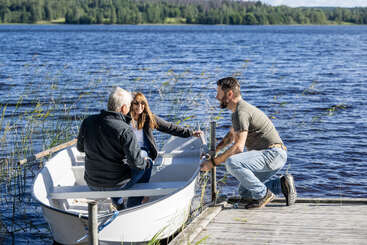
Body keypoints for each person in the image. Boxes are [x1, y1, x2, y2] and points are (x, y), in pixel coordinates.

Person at [201, 77, 296, 209]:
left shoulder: (241, 112)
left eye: (218, 93)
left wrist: (212, 163)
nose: (216, 97)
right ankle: (282, 184)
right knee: (245, 192)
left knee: (232, 162)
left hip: (273, 154)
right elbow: (229, 138)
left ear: (229, 94)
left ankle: (264, 195)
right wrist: (213, 152)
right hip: (273, 155)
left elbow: (238, 148)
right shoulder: (237, 112)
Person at [77, 87, 152, 210]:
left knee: (119, 170)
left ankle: (119, 205)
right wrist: (147, 163)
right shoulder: (125, 130)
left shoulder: (88, 122)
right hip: (117, 185)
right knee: (145, 165)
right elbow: (136, 164)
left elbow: (80, 148)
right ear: (123, 108)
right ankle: (131, 208)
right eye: (129, 106)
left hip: (92, 183)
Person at [129, 92, 202, 204]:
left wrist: (190, 133)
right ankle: (131, 200)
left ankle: (133, 204)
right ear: (130, 104)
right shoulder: (125, 119)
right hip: (129, 153)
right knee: (135, 185)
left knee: (140, 185)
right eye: (136, 103)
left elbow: (169, 127)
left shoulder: (149, 118)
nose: (140, 106)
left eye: (142, 103)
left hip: (145, 155)